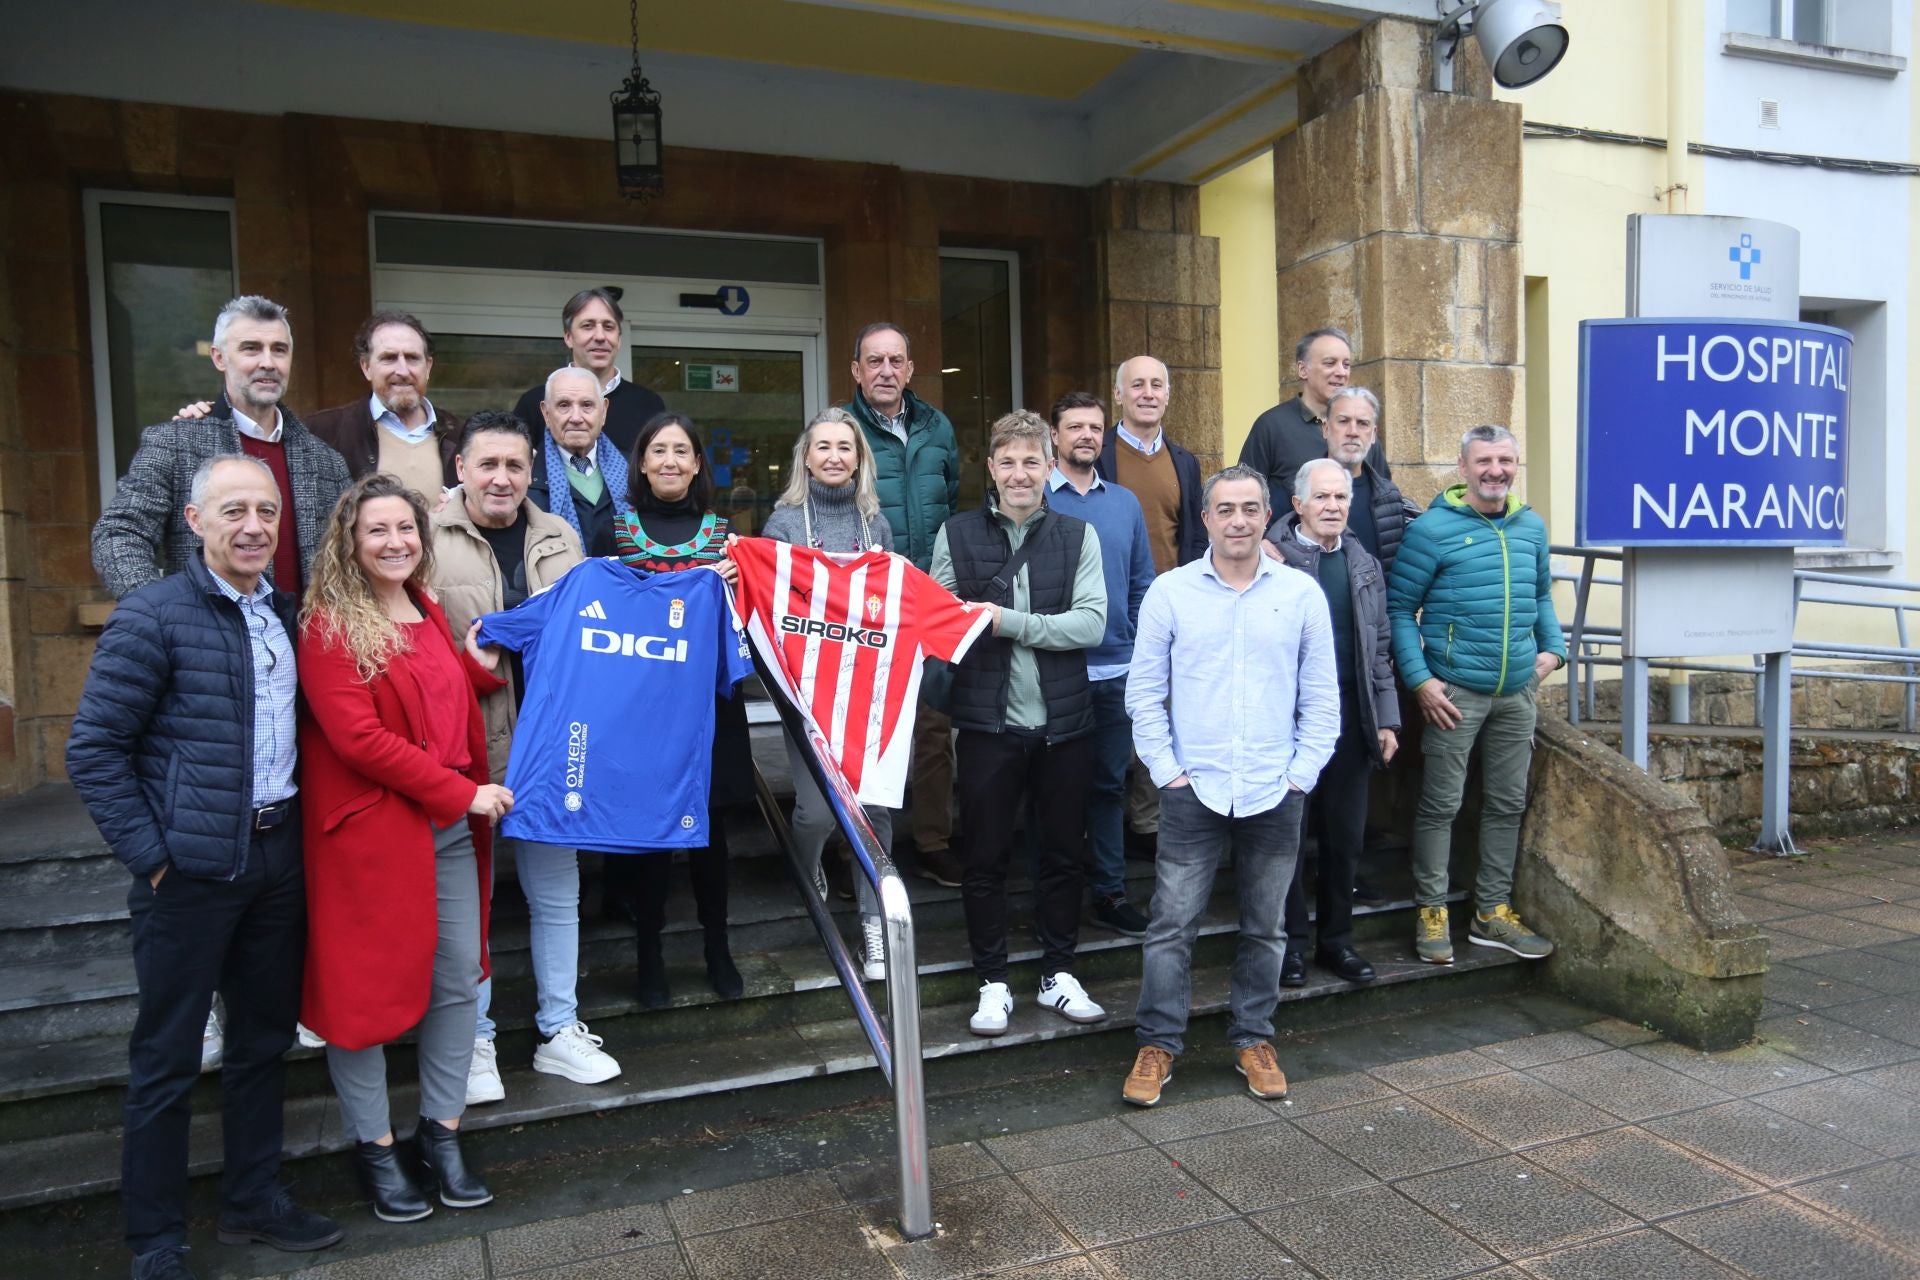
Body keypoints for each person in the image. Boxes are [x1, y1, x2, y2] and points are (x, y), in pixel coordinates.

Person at [69, 455, 341, 1280]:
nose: (253, 525)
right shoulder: (152, 616)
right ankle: (154, 1241)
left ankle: (253, 1202)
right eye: (233, 512)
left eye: (266, 510)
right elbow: (95, 750)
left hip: (275, 860)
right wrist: (154, 861)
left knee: (261, 1045)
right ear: (194, 522)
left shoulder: (289, 615)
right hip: (186, 874)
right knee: (168, 1058)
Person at [298, 473, 507, 1224]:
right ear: (349, 542)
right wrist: (461, 794)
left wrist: (478, 669)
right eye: (376, 531)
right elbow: (359, 737)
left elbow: (442, 691)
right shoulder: (328, 624)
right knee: (364, 997)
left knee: (457, 982)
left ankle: (441, 1136)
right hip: (375, 835)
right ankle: (377, 1150)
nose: (394, 542)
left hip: (447, 829)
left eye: (406, 530)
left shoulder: (423, 607)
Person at [1122, 465, 1339, 1108]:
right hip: (1195, 788)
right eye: (1225, 509)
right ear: (1206, 518)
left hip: (1276, 787)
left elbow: (1321, 699)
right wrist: (1168, 772)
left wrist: (1302, 775)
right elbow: (1144, 694)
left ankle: (1253, 1037)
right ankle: (1158, 1042)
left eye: (1250, 509)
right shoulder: (1171, 593)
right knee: (1170, 925)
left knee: (1268, 927)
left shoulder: (1300, 595)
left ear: (1266, 515)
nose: (1238, 520)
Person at [430, 411, 620, 1105]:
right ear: (461, 469)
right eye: (488, 465)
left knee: (555, 895)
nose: (502, 478)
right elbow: (411, 647)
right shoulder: (425, 537)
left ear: (531, 471)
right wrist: (469, 659)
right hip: (463, 748)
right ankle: (473, 1041)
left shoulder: (560, 537)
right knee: (467, 904)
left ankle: (559, 1031)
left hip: (549, 749)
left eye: (514, 465)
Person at [932, 410, 1107, 1037]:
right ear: (991, 469)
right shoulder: (955, 534)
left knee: (1062, 855)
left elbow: (1091, 624)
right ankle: (993, 981)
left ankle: (1058, 973)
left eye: (1032, 461)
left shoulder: (1076, 535)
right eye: (1007, 462)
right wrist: (991, 623)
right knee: (984, 857)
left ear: (1050, 466)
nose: (1019, 473)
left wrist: (1008, 623)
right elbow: (944, 625)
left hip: (1065, 726)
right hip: (987, 725)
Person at [1388, 425, 1567, 966]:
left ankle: (1492, 912)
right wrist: (1420, 681)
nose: (1496, 470)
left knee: (1508, 804)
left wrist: (1554, 649)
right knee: (1441, 805)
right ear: (1462, 468)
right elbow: (1398, 611)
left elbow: (1541, 595)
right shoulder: (1432, 531)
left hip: (1517, 691)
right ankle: (1432, 909)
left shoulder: (1530, 527)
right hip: (1454, 693)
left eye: (1506, 460)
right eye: (1484, 461)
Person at [610, 412, 747, 1007]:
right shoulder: (614, 531)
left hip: (711, 705)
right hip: (641, 707)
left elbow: (750, 621)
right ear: (641, 462)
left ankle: (718, 947)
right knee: (649, 834)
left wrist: (738, 587)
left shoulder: (726, 535)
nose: (669, 460)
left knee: (711, 833)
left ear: (697, 464)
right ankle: (650, 955)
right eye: (657, 449)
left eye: (681, 451)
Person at [91, 295, 352, 601]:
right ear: (218, 357)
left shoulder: (326, 461)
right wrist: (160, 612)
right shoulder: (176, 444)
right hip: (208, 644)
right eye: (251, 348)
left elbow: (349, 557)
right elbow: (118, 534)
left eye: (279, 350)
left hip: (307, 643)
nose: (267, 362)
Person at [759, 408, 896, 978]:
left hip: (865, 689)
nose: (835, 456)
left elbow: (888, 595)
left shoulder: (877, 523)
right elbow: (768, 602)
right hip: (806, 690)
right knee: (816, 812)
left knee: (877, 809)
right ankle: (810, 865)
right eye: (824, 447)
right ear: (805, 457)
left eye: (847, 447)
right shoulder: (783, 523)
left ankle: (876, 924)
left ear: (860, 458)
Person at [1266, 460, 1400, 987]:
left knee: (1345, 839)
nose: (1333, 507)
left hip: (1352, 717)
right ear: (1297, 504)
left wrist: (1387, 719)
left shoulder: (1362, 562)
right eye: (1320, 497)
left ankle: (1337, 943)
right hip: (1291, 724)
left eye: (1340, 497)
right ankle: (1291, 946)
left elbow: (1379, 646)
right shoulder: (1272, 560)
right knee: (1291, 841)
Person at [840, 322, 965, 888]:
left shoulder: (938, 428)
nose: (886, 371)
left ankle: (934, 840)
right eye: (875, 361)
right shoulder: (841, 430)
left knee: (934, 727)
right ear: (857, 371)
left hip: (930, 597)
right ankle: (858, 850)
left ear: (910, 370)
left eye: (896, 361)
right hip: (868, 603)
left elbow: (953, 498)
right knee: (865, 731)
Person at [1043, 392, 1154, 937]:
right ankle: (1055, 898)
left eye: (1093, 427)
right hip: (1054, 671)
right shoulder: (1036, 497)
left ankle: (1109, 892)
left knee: (1110, 785)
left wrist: (1137, 643)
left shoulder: (1125, 504)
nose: (1085, 435)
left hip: (1116, 669)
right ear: (1055, 436)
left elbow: (1141, 583)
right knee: (1054, 789)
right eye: (1073, 427)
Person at [1094, 355, 1206, 862]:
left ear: (1167, 394)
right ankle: (1105, 824)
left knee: (1161, 712)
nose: (1147, 392)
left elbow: (1193, 537)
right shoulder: (1097, 453)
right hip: (1110, 608)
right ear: (1118, 394)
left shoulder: (1184, 462)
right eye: (1136, 384)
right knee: (1115, 717)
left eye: (1156, 384)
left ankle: (1148, 823)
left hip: (1171, 606)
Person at [178, 312, 462, 495]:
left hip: (449, 588)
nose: (402, 370)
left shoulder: (460, 434)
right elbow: (255, 452)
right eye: (388, 358)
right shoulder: (321, 431)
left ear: (428, 366)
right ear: (366, 367)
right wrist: (214, 418)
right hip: (361, 589)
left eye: (412, 358)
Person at [1240, 328, 1390, 522]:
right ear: (1303, 370)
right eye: (1330, 363)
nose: (1341, 372)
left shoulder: (1361, 432)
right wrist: (1263, 543)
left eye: (1346, 364)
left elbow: (1384, 497)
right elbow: (1244, 495)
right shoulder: (1272, 426)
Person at [511, 287, 666, 458]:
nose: (600, 336)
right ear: (568, 337)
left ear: (619, 340)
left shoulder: (649, 405)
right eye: (588, 326)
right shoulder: (534, 403)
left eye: (608, 327)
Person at [526, 366, 631, 558]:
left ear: (604, 411)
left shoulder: (635, 472)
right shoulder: (526, 476)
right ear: (546, 413)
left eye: (587, 405)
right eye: (564, 405)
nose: (576, 418)